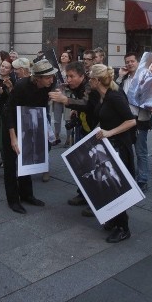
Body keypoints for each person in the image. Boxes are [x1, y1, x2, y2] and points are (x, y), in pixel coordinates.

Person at [78, 64, 137, 243]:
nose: (88, 80)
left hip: (120, 146)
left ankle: (123, 227)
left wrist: (109, 133)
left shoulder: (115, 96)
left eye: (90, 78)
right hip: (110, 146)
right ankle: (114, 220)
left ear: (96, 80)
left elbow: (131, 121)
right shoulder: (103, 96)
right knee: (109, 184)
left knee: (115, 186)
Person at [3, 58, 58, 214]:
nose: (51, 80)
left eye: (52, 76)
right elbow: (8, 111)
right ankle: (13, 200)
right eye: (48, 77)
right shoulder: (21, 86)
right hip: (12, 124)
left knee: (27, 158)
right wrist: (13, 138)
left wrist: (44, 131)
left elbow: (42, 109)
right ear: (38, 78)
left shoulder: (49, 86)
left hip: (30, 122)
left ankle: (27, 195)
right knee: (11, 162)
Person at [50, 62, 93, 212]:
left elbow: (87, 103)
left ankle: (94, 201)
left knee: (92, 165)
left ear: (82, 76)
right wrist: (75, 109)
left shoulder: (89, 85)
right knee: (81, 164)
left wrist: (66, 100)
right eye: (67, 76)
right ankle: (82, 194)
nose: (68, 79)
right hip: (83, 127)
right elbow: (82, 104)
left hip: (95, 131)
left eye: (71, 76)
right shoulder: (76, 86)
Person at [117, 52, 152, 192]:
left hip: (141, 120)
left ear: (138, 62)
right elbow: (114, 91)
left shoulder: (145, 78)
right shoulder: (124, 79)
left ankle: (143, 179)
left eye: (132, 61)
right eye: (127, 61)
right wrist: (120, 75)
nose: (130, 64)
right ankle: (128, 175)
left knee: (140, 151)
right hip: (125, 120)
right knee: (125, 150)